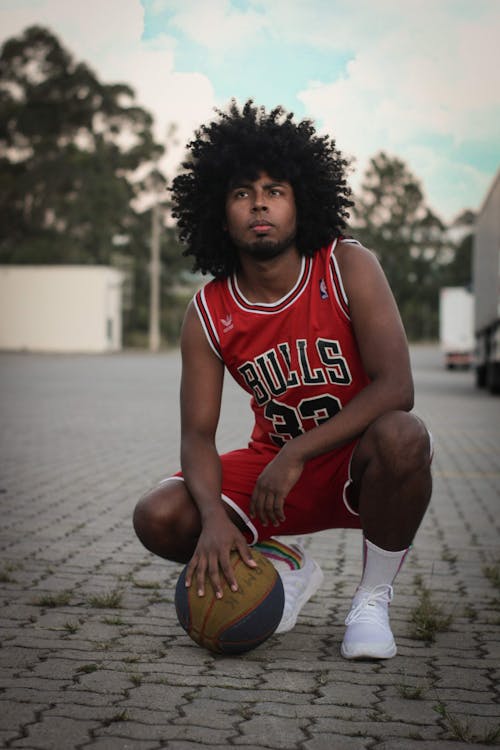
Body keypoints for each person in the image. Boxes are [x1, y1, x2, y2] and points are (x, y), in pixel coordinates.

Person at [133, 100, 433, 660]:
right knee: (160, 516)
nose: (260, 203)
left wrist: (295, 451)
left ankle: (371, 599)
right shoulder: (208, 310)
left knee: (404, 435)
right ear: (221, 215)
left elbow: (397, 386)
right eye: (242, 193)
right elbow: (197, 435)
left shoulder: (346, 265)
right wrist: (216, 521)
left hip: (352, 457)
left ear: (301, 203)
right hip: (276, 478)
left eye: (275, 189)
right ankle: (282, 562)